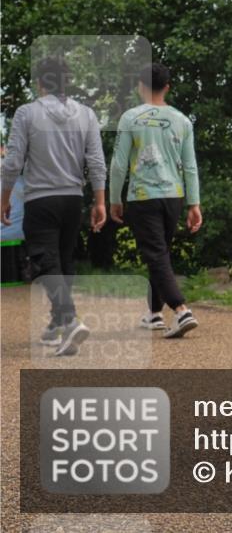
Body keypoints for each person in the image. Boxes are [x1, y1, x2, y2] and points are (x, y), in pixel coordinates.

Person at [1, 56, 107, 356]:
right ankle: (58, 325)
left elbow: (13, 162)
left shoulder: (27, 113)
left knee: (45, 262)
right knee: (62, 261)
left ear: (40, 83)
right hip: (73, 199)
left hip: (40, 199)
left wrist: (4, 199)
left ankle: (70, 320)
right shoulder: (86, 114)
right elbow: (96, 161)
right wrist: (99, 200)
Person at [109, 63, 202, 338]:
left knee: (156, 254)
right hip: (173, 196)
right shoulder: (182, 120)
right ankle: (153, 314)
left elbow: (118, 164)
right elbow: (191, 166)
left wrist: (115, 198)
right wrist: (194, 203)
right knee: (159, 254)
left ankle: (181, 309)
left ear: (140, 87)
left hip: (142, 197)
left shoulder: (130, 118)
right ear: (167, 88)